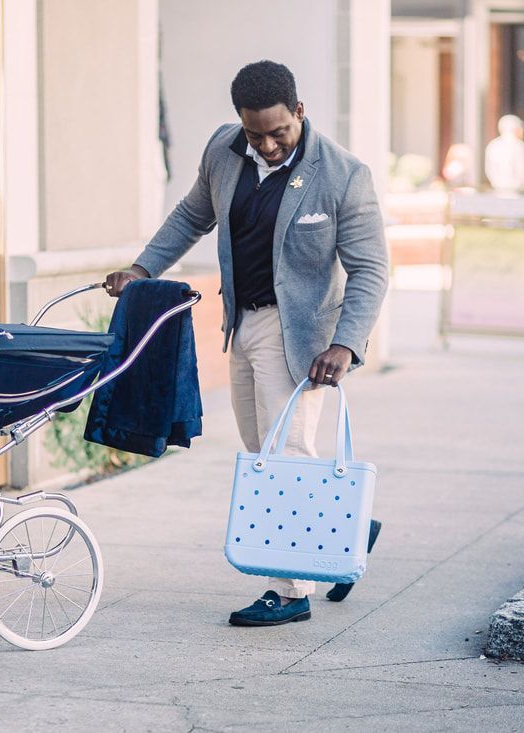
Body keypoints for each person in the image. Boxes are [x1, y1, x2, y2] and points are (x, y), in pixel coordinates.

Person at [105, 61, 388, 626]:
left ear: (300, 112)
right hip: (243, 325)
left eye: (278, 132)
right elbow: (192, 215)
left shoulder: (343, 175)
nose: (267, 144)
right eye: (255, 133)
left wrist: (345, 344)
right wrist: (142, 269)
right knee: (264, 453)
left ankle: (288, 592)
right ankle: (346, 526)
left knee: (284, 458)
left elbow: (371, 269)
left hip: (302, 339)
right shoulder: (224, 149)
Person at [484, 114, 524, 195]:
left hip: (497, 190)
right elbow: (521, 169)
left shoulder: (493, 145)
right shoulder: (519, 146)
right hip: (515, 192)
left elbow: (490, 169)